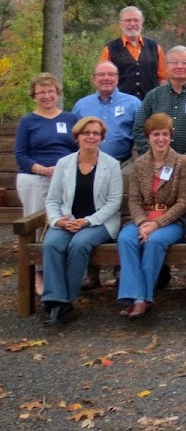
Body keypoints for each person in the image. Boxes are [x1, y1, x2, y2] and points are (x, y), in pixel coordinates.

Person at [39, 117, 123, 326]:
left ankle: (63, 300)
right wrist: (58, 221)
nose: (91, 137)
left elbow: (113, 202)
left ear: (102, 138)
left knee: (79, 244)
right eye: (86, 132)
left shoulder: (111, 165)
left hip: (99, 222)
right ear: (77, 136)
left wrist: (87, 221)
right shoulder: (64, 163)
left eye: (96, 133)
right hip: (67, 220)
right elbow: (52, 199)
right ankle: (59, 301)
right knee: (51, 244)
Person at [116, 113, 186, 318]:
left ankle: (143, 299)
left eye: (165, 134)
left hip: (170, 220)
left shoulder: (181, 162)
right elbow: (133, 200)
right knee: (125, 238)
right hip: (143, 218)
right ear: (148, 137)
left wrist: (157, 224)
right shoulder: (140, 164)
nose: (161, 139)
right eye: (156, 134)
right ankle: (134, 296)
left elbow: (184, 201)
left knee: (154, 242)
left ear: (171, 136)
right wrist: (142, 222)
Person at [134, 46, 186, 171]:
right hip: (156, 167)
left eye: (185, 63)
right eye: (174, 62)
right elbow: (139, 129)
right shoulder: (153, 96)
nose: (179, 66)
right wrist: (156, 155)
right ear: (166, 66)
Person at [17, 73, 80, 219]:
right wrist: (43, 170)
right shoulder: (27, 121)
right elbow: (21, 155)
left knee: (67, 218)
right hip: (35, 178)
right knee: (35, 222)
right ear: (34, 96)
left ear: (57, 94)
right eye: (41, 92)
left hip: (66, 176)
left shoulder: (70, 119)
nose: (47, 96)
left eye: (50, 91)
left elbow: (79, 149)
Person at [72, 62, 141, 163]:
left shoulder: (133, 104)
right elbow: (73, 136)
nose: (106, 78)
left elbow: (143, 134)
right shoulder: (81, 106)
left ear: (117, 79)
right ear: (94, 79)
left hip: (123, 165)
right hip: (87, 164)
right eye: (101, 74)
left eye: (111, 74)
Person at [100, 6, 167, 99]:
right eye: (128, 20)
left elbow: (163, 78)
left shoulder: (155, 47)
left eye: (136, 20)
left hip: (151, 103)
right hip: (121, 105)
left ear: (142, 22)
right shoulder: (110, 49)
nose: (132, 24)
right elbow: (103, 79)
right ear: (120, 24)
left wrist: (162, 99)